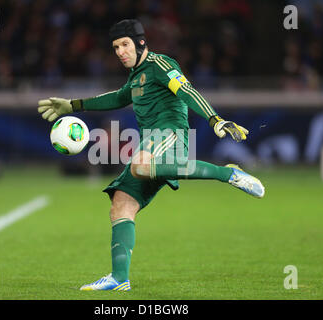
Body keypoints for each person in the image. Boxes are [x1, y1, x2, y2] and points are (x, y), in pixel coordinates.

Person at [37, 19, 265, 291]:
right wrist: (73, 105)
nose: (120, 51)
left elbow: (187, 90)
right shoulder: (135, 76)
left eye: (124, 44)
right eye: (115, 47)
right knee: (121, 204)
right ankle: (119, 279)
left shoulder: (161, 65)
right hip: (151, 142)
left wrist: (215, 119)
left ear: (140, 42)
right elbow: (119, 97)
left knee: (140, 165)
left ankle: (229, 173)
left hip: (170, 134)